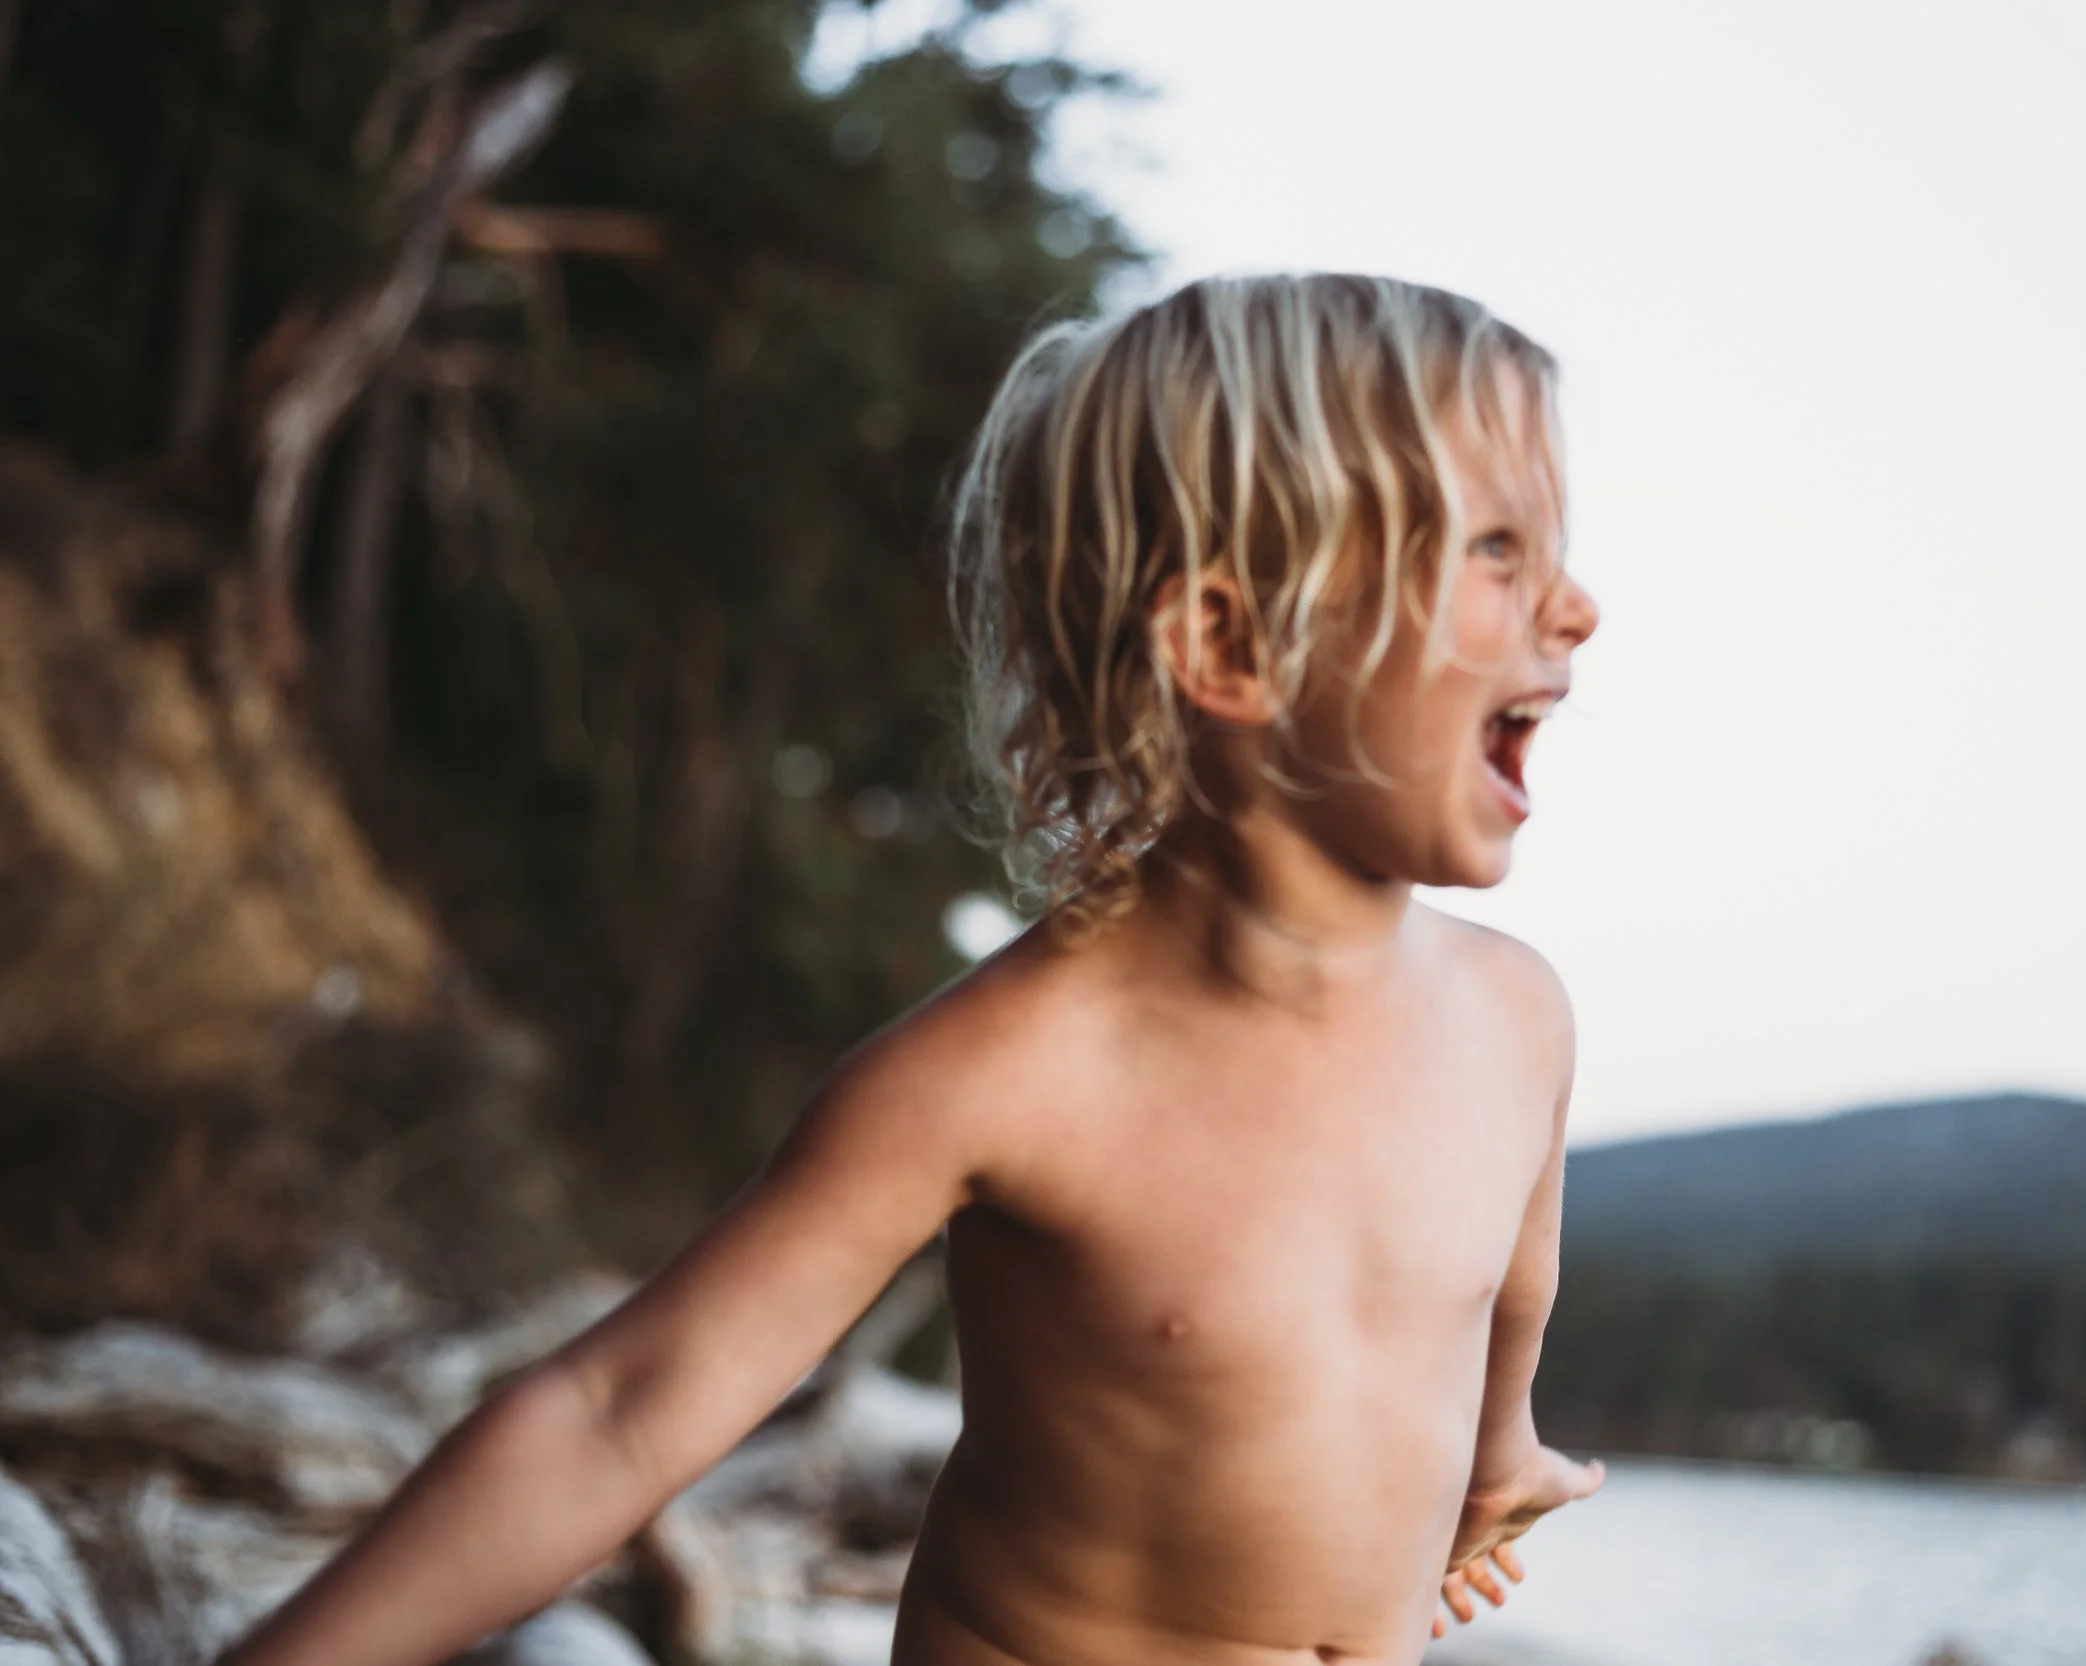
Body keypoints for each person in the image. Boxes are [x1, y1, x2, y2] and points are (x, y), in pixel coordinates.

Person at [222, 272, 1606, 1666]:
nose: (1579, 606)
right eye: (1497, 549)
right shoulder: (1016, 1068)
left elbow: (1504, 1290)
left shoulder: (1515, 1021)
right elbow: (619, 1407)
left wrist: (1503, 1459)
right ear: (1231, 645)